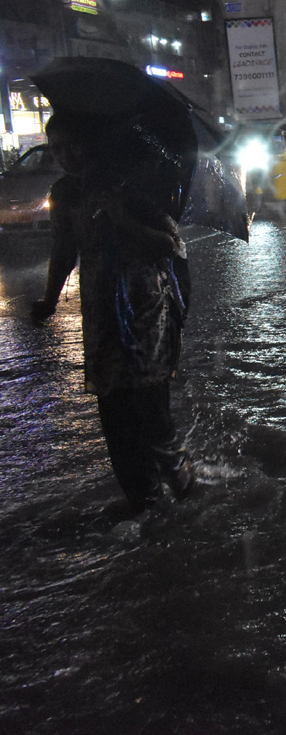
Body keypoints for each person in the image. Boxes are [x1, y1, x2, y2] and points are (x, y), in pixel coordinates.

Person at [31, 112, 195, 516]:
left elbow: (171, 246)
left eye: (73, 145)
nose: (66, 156)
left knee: (150, 410)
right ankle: (145, 503)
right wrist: (49, 301)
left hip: (146, 313)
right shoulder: (67, 194)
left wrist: (123, 220)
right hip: (102, 314)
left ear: (93, 143)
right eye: (56, 149)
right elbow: (63, 250)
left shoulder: (133, 184)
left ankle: (186, 487)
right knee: (115, 418)